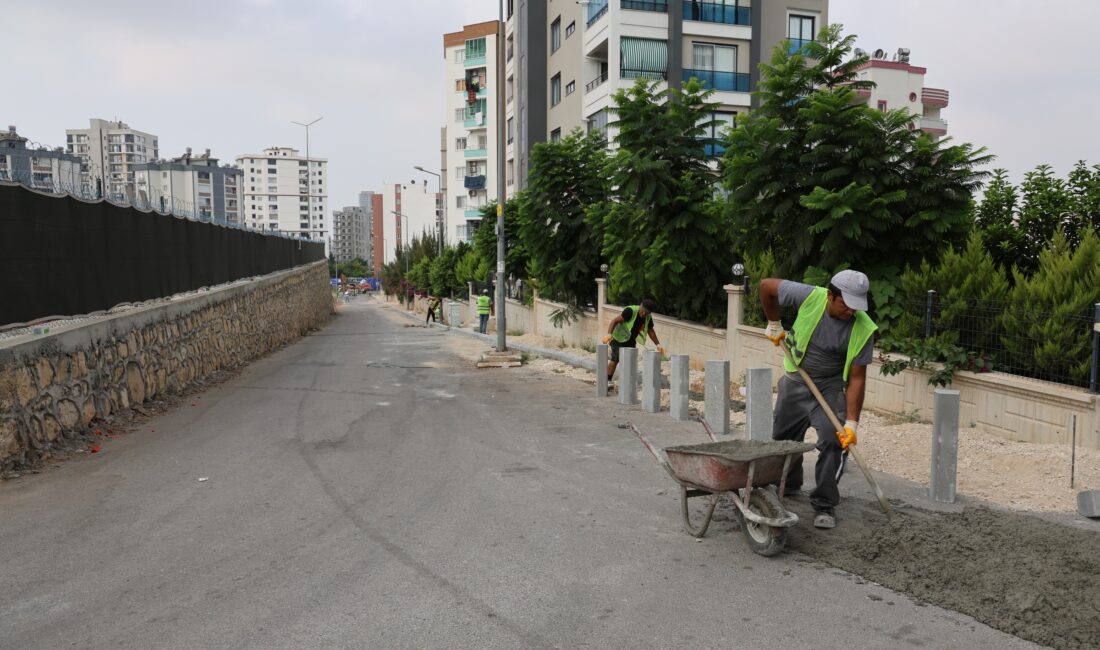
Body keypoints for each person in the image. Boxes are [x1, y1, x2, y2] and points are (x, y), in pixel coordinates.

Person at [759, 270, 877, 530]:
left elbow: (857, 378)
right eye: (846, 304)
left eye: (857, 306)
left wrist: (852, 424)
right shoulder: (810, 297)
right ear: (831, 296)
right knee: (784, 438)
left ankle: (825, 502)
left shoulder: (864, 329)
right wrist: (774, 323)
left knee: (833, 441)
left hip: (831, 386)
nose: (851, 312)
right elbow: (766, 286)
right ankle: (788, 486)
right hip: (796, 379)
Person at [602, 298, 665, 388]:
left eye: (646, 313)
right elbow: (614, 321)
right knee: (616, 358)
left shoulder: (648, 317)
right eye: (643, 311)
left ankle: (627, 382)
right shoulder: (630, 311)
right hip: (617, 337)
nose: (643, 314)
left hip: (630, 339)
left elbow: (651, 331)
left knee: (630, 360)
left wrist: (658, 344)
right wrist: (608, 334)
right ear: (641, 306)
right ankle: (607, 380)